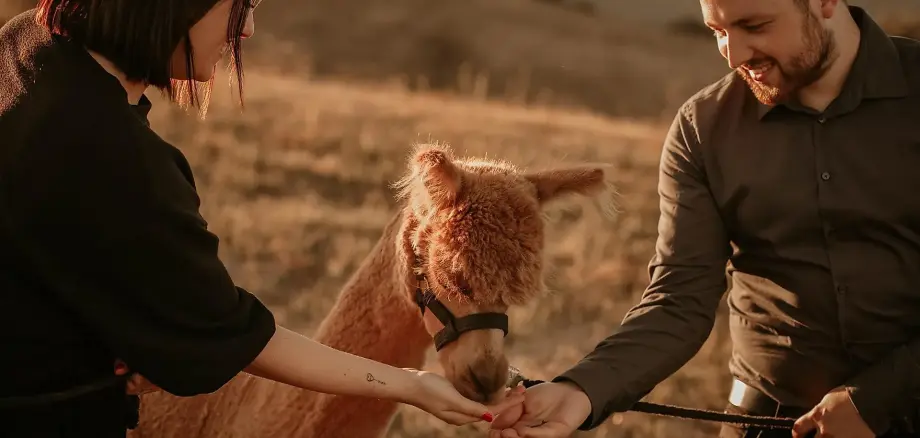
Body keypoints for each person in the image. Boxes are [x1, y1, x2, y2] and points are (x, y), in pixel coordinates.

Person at [0, 1, 523, 437]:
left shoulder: (24, 47)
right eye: (241, 4)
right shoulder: (119, 160)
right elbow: (236, 334)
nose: (247, 28)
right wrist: (411, 384)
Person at [489, 0, 920, 437]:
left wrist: (877, 401)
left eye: (754, 25)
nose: (734, 56)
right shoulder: (703, 127)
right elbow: (680, 298)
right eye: (717, 31)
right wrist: (580, 390)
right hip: (764, 422)